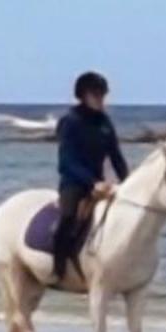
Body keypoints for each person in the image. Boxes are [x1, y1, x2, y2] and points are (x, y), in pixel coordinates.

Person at [51, 71, 129, 284]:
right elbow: (66, 161)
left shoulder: (104, 122)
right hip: (74, 183)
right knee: (68, 217)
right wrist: (93, 182)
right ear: (83, 96)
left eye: (102, 95)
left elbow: (116, 157)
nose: (100, 100)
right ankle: (58, 267)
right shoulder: (70, 122)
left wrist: (128, 183)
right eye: (96, 95)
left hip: (100, 183)